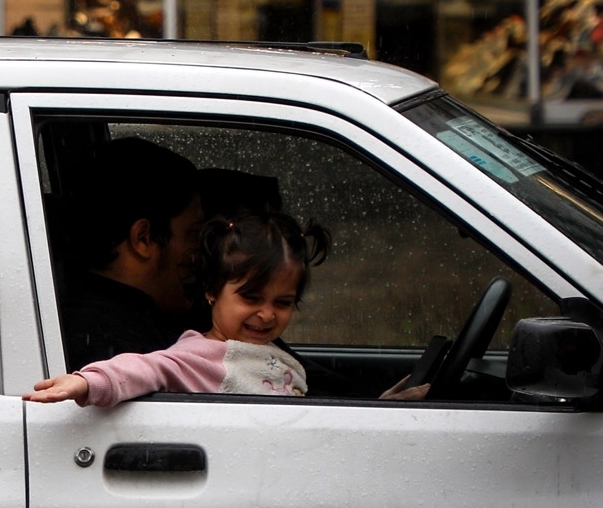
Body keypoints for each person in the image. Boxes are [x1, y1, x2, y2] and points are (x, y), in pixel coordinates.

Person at [27, 211, 430, 406]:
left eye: (283, 303)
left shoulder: (268, 352)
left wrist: (378, 410)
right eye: (251, 299)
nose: (268, 314)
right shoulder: (201, 355)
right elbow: (145, 367)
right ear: (211, 291)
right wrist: (86, 382)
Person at [58, 137, 205, 371]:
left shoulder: (80, 314)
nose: (202, 253)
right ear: (143, 238)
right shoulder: (120, 352)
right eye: (194, 234)